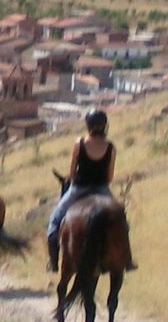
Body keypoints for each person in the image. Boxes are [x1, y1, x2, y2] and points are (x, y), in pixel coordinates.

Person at [46, 109, 116, 271]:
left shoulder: (79, 143)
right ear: (104, 126)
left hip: (79, 188)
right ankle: (127, 259)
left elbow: (71, 173)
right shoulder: (111, 147)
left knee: (54, 221)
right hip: (101, 190)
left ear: (88, 125)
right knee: (122, 221)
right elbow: (110, 177)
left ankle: (53, 262)